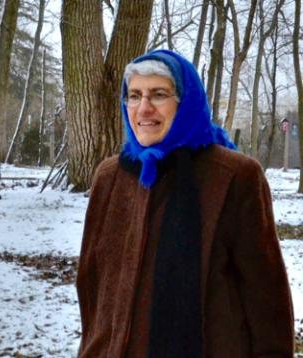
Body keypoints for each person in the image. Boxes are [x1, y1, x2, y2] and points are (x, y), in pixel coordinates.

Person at [76, 49, 294, 357]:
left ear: (185, 101)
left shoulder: (234, 177)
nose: (143, 108)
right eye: (134, 96)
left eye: (158, 94)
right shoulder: (110, 176)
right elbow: (91, 285)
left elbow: (265, 300)